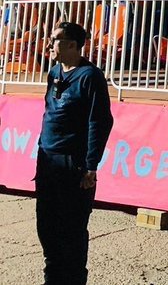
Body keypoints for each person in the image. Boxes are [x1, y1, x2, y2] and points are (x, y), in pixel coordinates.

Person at [35, 21, 114, 285]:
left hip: (73, 164)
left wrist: (91, 166)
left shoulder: (90, 77)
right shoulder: (54, 71)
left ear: (72, 45)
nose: (49, 44)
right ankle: (52, 278)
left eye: (55, 39)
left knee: (72, 229)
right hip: (48, 160)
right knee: (47, 226)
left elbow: (99, 122)